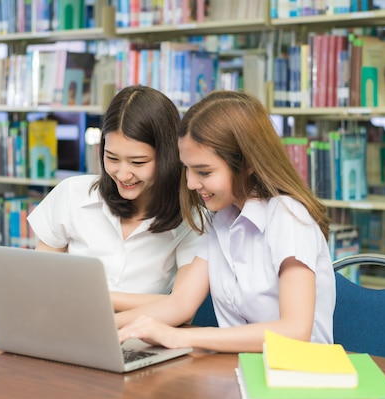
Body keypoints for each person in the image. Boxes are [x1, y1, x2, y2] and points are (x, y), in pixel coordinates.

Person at [0, 85, 201, 312]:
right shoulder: (74, 195)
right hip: (64, 325)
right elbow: (36, 277)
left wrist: (90, 296)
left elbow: (181, 307)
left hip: (143, 339)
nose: (123, 174)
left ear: (168, 155)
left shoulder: (192, 218)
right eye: (111, 158)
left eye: (138, 161)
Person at [116, 90, 336, 352]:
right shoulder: (222, 219)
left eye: (204, 171)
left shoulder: (288, 216)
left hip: (298, 379)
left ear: (248, 163)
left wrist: (183, 338)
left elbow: (295, 331)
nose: (191, 183)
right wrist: (104, 327)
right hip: (237, 372)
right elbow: (180, 303)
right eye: (187, 168)